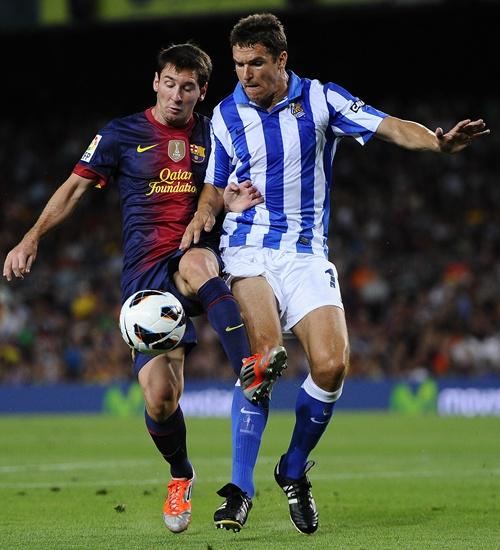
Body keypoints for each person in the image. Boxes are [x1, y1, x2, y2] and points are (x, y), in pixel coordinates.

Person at [180, 13, 490, 535]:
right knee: (266, 358)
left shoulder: (321, 99)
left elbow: (389, 126)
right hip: (249, 250)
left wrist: (438, 143)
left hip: (304, 255)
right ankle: (239, 489)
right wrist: (204, 212)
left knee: (330, 366)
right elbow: (215, 183)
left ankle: (293, 468)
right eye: (238, 65)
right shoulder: (226, 112)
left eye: (256, 63)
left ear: (281, 60)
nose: (246, 75)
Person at [2, 42, 285, 534]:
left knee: (199, 260)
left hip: (190, 258)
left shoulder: (212, 133)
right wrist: (30, 238)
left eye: (189, 87)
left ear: (202, 92)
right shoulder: (120, 134)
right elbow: (72, 188)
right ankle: (182, 475)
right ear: (156, 82)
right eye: (170, 84)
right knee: (160, 398)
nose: (177, 96)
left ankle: (248, 364)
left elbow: (219, 187)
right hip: (144, 279)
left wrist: (226, 203)